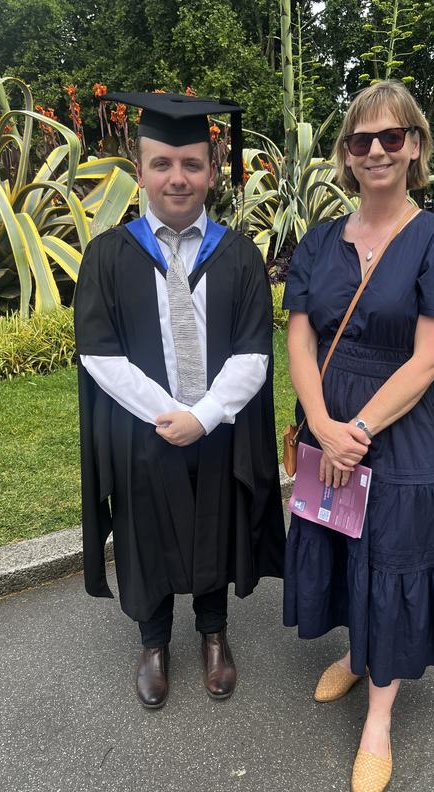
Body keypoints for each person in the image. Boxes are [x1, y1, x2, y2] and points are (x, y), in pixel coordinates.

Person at [282, 80, 434, 792]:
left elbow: (432, 356)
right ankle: (355, 651)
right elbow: (300, 338)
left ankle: (377, 721)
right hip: (327, 423)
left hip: (396, 435)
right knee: (342, 549)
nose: (375, 151)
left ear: (415, 147)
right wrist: (322, 426)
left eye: (390, 138)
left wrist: (359, 432)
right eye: (360, 140)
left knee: (393, 557)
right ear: (344, 154)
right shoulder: (318, 240)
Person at [74, 91, 285, 710]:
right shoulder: (108, 257)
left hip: (216, 427)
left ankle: (214, 634)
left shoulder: (240, 254)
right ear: (138, 170)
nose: (177, 177)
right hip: (145, 430)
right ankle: (154, 641)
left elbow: (253, 351)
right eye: (162, 163)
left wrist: (205, 415)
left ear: (213, 172)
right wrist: (165, 413)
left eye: (192, 164)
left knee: (214, 527)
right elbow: (100, 353)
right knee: (147, 531)